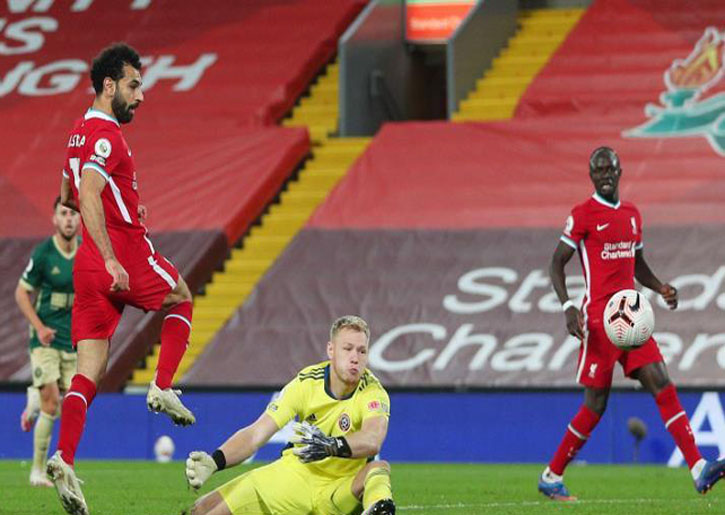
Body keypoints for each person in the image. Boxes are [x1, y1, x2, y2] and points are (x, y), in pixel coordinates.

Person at [46, 43, 196, 515]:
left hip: (86, 264)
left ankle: (64, 458)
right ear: (109, 85)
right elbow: (89, 193)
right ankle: (163, 385)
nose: (141, 96)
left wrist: (123, 206)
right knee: (181, 298)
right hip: (120, 255)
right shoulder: (107, 135)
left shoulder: (77, 133)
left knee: (89, 371)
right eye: (134, 85)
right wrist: (114, 256)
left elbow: (67, 195)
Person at [538, 147, 725, 500]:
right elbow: (556, 263)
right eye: (598, 171)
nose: (605, 175)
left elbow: (636, 263)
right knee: (595, 405)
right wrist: (567, 306)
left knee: (662, 382)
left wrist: (660, 287)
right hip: (600, 320)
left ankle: (698, 467)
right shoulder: (582, 215)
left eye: (610, 169)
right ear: (591, 176)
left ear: (620, 172)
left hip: (633, 316)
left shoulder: (632, 215)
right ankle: (552, 475)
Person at [184, 316, 395, 515]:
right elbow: (256, 434)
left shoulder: (373, 392)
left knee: (378, 469)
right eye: (347, 349)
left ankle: (379, 509)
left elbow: (372, 440)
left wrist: (330, 445)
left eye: (362, 351)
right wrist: (215, 461)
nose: (355, 358)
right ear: (331, 350)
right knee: (200, 509)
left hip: (339, 491)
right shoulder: (306, 383)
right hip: (295, 478)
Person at [15, 197, 80, 487]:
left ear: (80, 220)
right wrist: (39, 327)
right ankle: (37, 471)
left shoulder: (87, 252)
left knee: (72, 402)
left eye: (73, 214)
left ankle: (34, 398)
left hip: (72, 341)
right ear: (54, 219)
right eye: (63, 214)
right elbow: (21, 293)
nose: (69, 219)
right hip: (45, 339)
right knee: (52, 403)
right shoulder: (44, 253)